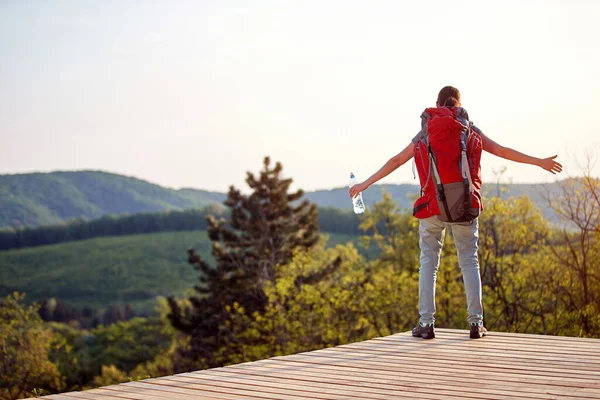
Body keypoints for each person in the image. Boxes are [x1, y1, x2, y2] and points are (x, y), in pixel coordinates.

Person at [349, 86, 563, 339]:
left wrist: (364, 184)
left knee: (428, 264)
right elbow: (503, 151)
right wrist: (540, 162)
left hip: (432, 207)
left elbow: (396, 161)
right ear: (458, 104)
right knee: (469, 261)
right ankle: (476, 323)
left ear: (437, 104)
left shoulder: (426, 132)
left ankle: (426, 324)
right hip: (465, 205)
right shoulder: (470, 130)